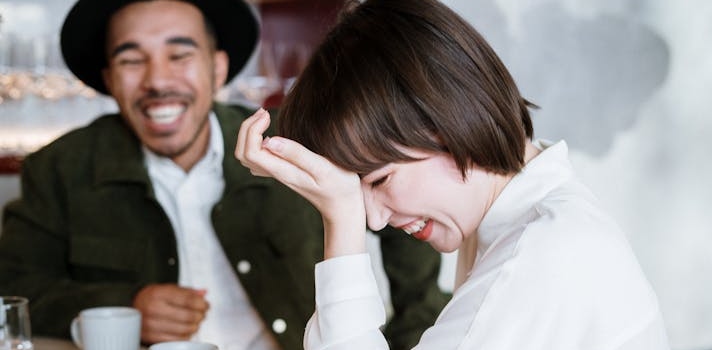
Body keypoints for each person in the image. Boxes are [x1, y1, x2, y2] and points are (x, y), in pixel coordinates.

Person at [0, 1, 449, 349]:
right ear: (109, 79)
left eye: (179, 54)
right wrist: (126, 303)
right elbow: (15, 293)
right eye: (132, 60)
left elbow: (403, 229)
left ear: (217, 68)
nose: (158, 80)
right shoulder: (59, 168)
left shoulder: (296, 144)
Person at [235, 0, 671, 348]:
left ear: (445, 123)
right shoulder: (531, 226)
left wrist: (341, 221)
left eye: (380, 180)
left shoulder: (541, 258)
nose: (375, 219)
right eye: (356, 191)